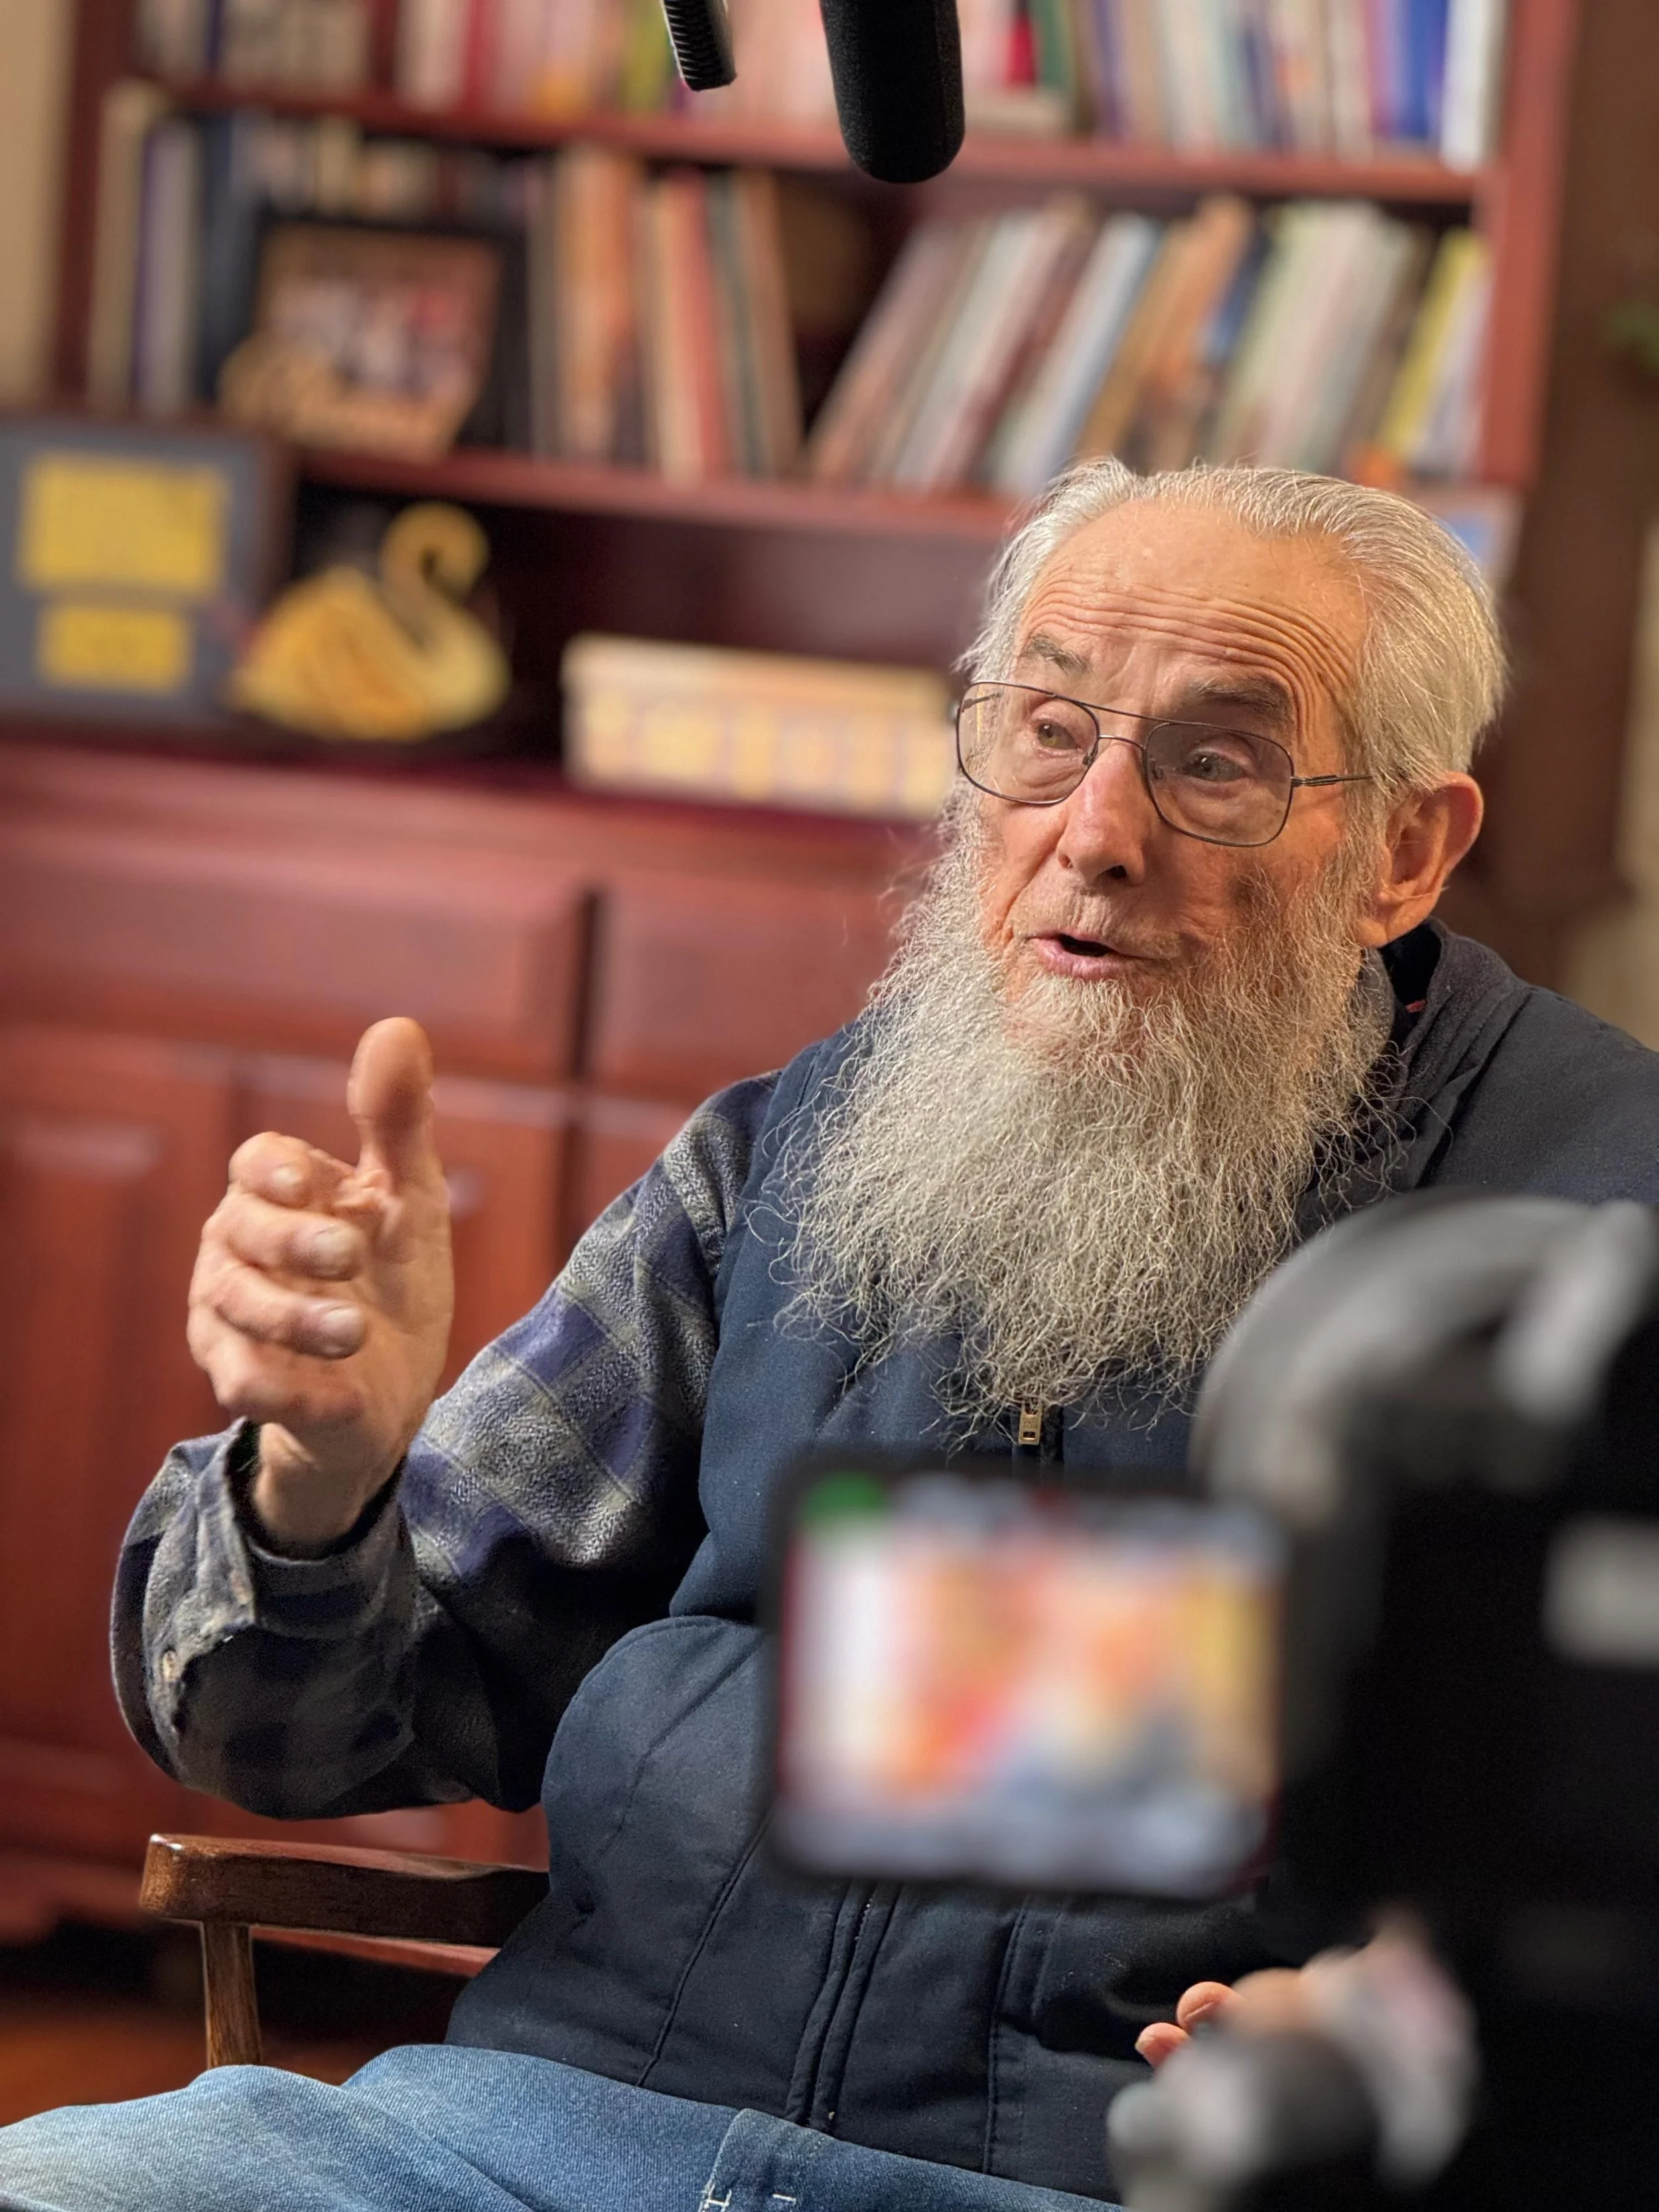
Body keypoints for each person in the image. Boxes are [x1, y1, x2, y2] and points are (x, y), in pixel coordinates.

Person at [7, 461, 1659, 2212]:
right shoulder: (786, 1156)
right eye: (1043, 729)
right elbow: (289, 1738)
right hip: (534, 2139)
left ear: (1404, 850)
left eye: (1217, 759)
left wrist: (1419, 2040)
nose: (1094, 828)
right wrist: (319, 1482)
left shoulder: (1585, 1257)